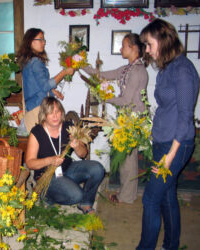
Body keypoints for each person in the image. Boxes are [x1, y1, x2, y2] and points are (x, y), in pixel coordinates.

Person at [136, 19, 199, 250]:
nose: (148, 50)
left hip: (176, 145)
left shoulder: (183, 70)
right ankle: (171, 245)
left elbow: (184, 118)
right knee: (166, 196)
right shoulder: (168, 68)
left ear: (163, 41)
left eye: (149, 44)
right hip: (163, 141)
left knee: (150, 198)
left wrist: (170, 156)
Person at [83, 33, 148, 204]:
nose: (121, 48)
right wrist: (82, 66)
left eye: (124, 45)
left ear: (133, 48)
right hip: (126, 118)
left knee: (128, 159)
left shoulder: (138, 71)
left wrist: (105, 96)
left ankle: (127, 197)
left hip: (133, 119)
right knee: (125, 158)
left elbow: (126, 101)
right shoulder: (127, 69)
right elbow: (102, 75)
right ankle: (126, 194)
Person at [26, 96, 105, 214]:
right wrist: (50, 160)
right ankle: (47, 196)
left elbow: (83, 154)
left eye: (57, 111)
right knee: (76, 195)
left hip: (67, 170)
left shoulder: (68, 127)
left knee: (98, 169)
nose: (55, 116)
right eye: (50, 113)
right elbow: (30, 163)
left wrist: (77, 145)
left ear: (62, 112)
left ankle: (86, 203)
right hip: (47, 177)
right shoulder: (37, 132)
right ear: (44, 115)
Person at [17, 28, 75, 132]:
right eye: (40, 39)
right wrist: (64, 72)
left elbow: (36, 86)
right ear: (30, 41)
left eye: (44, 40)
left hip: (33, 106)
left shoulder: (28, 61)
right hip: (38, 108)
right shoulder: (35, 62)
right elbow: (45, 86)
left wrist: (52, 92)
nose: (43, 43)